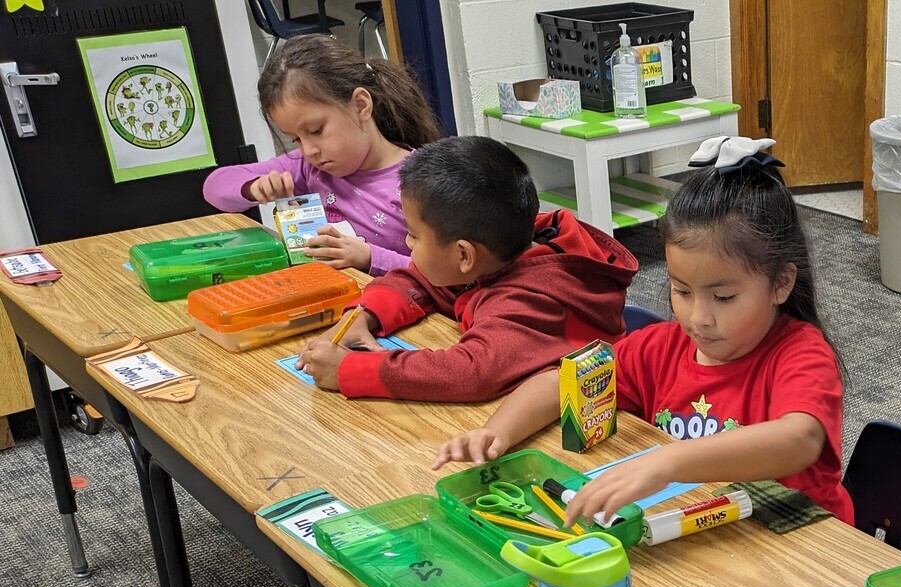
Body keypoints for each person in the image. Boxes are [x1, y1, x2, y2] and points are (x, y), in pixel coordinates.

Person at [433, 137, 853, 525]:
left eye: (723, 297)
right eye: (681, 291)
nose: (698, 318)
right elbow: (559, 384)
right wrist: (496, 432)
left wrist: (668, 462)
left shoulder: (801, 353)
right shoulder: (660, 349)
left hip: (799, 540)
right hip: (704, 533)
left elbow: (798, 440)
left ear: (781, 283)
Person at [295, 136, 635, 401]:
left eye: (413, 235)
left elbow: (471, 373)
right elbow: (419, 279)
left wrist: (350, 369)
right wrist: (364, 316)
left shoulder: (530, 301)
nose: (408, 244)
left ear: (464, 255)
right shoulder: (498, 251)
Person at [202, 35, 440, 275]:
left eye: (316, 131)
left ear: (360, 105)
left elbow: (449, 275)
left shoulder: (423, 181)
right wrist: (253, 187)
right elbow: (215, 187)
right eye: (295, 139)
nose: (308, 150)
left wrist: (370, 257)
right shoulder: (307, 168)